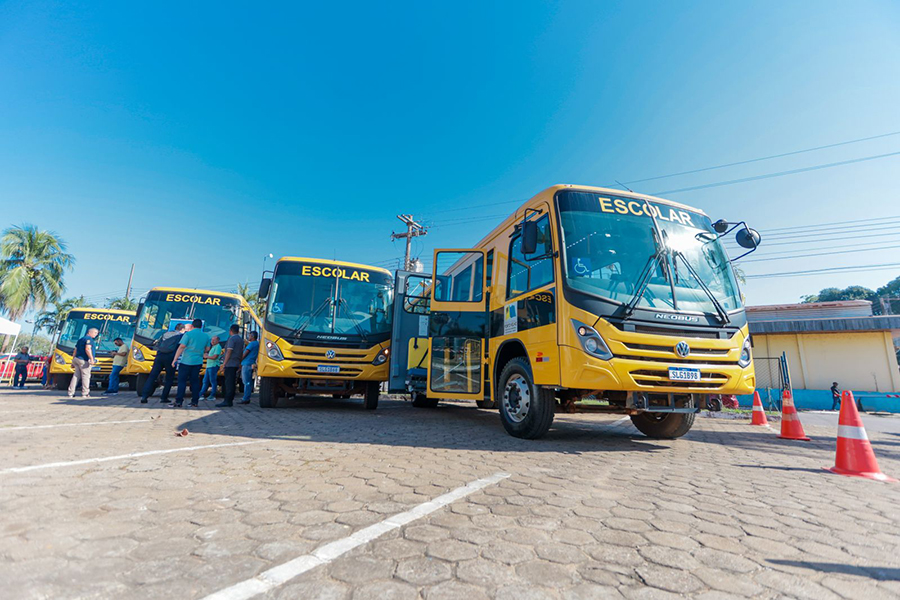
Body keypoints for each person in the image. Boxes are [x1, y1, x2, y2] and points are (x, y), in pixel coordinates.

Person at [140, 323, 185, 404]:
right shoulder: (180, 336)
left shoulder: (165, 334)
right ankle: (164, 397)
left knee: (152, 376)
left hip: (159, 356)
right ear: (182, 329)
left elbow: (158, 344)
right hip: (170, 358)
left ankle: (144, 396)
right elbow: (181, 347)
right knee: (169, 378)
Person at [172, 318, 210, 408]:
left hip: (186, 361)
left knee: (182, 381)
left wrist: (175, 359)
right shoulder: (206, 336)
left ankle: (179, 401)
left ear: (192, 326)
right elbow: (207, 349)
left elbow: (182, 347)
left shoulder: (188, 334)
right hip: (197, 362)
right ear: (201, 326)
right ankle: (194, 402)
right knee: (195, 382)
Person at [217, 324, 244, 408]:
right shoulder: (240, 339)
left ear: (230, 331)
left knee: (228, 383)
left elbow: (229, 351)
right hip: (236, 362)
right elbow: (241, 352)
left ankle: (227, 400)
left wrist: (224, 363)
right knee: (232, 382)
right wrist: (240, 362)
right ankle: (230, 399)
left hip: (230, 363)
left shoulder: (232, 339)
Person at [68, 328, 98, 398]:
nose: (96, 334)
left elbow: (75, 350)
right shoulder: (89, 339)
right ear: (89, 332)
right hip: (84, 360)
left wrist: (73, 360)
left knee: (76, 376)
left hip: (77, 359)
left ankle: (71, 392)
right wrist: (91, 359)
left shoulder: (80, 339)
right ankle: (85, 393)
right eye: (95, 332)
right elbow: (87, 349)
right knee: (86, 376)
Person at [200, 335, 223, 399]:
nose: (212, 341)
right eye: (212, 340)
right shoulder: (213, 347)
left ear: (218, 341)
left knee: (212, 381)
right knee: (205, 381)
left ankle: (212, 395)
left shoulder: (218, 347)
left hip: (213, 366)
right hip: (209, 366)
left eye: (214, 340)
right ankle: (201, 394)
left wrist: (207, 356)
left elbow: (215, 357)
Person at [239, 331, 259, 405]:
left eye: (249, 335)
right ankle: (246, 397)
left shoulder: (251, 344)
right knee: (248, 381)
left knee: (246, 382)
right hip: (251, 363)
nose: (248, 337)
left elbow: (246, 353)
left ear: (252, 336)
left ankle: (245, 398)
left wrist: (239, 360)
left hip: (246, 363)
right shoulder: (257, 344)